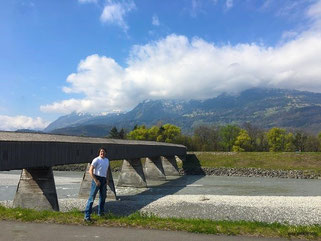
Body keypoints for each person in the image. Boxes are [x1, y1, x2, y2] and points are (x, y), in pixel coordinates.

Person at [84, 147, 109, 221]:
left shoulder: (107, 160)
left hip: (104, 179)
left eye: (104, 152)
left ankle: (100, 213)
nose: (102, 153)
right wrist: (96, 180)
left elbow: (107, 171)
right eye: (101, 151)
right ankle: (87, 216)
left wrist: (107, 179)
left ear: (106, 153)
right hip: (97, 178)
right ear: (99, 152)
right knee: (92, 198)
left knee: (103, 197)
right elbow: (90, 171)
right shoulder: (96, 159)